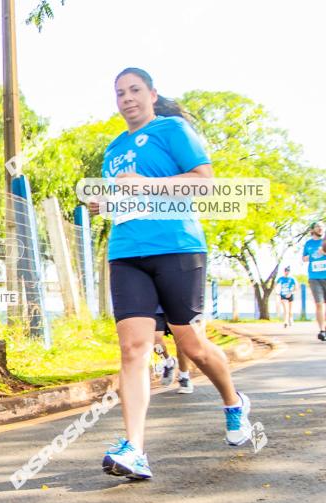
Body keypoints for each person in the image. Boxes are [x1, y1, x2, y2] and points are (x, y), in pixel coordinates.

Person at [90, 68, 252, 481]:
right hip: (127, 252)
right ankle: (136, 450)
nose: (126, 99)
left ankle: (233, 403)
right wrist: (105, 204)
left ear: (152, 94)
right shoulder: (113, 148)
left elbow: (204, 182)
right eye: (120, 93)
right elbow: (124, 197)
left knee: (193, 346)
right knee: (133, 349)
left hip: (177, 247)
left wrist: (146, 184)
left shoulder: (171, 129)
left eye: (134, 90)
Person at [153, 310, 193, 393]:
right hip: (157, 309)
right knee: (155, 341)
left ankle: (184, 376)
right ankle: (168, 362)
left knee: (181, 343)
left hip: (177, 306)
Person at [302, 222, 326, 340]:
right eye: (318, 226)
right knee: (319, 304)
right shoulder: (308, 243)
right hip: (314, 277)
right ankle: (322, 330)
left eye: (322, 226)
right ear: (313, 229)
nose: (320, 228)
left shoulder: (325, 242)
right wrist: (316, 254)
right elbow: (304, 258)